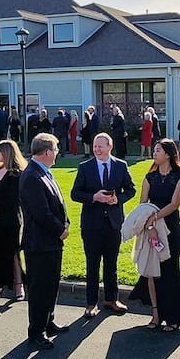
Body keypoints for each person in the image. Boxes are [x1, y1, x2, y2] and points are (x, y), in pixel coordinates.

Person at [70, 132, 135, 318]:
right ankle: (91, 303)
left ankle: (111, 299)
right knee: (92, 264)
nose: (97, 149)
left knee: (111, 263)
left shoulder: (120, 166)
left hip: (113, 223)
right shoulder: (85, 167)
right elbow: (75, 193)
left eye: (101, 146)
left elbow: (131, 189)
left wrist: (118, 199)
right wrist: (93, 197)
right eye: (95, 146)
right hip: (91, 224)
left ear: (110, 147)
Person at [133, 138, 180, 330]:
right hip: (150, 229)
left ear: (168, 154)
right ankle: (156, 314)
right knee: (152, 271)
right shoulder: (149, 177)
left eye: (158, 150)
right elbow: (142, 204)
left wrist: (155, 218)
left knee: (169, 270)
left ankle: (174, 316)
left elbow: (174, 204)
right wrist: (149, 225)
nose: (154, 153)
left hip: (170, 227)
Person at [20, 133, 70, 349]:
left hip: (50, 242)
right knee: (40, 288)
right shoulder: (32, 176)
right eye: (56, 149)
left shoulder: (44, 173)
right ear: (48, 152)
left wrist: (65, 222)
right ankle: (36, 331)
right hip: (40, 243)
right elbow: (41, 213)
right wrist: (60, 230)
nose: (57, 153)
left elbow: (57, 203)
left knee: (51, 285)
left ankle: (48, 322)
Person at [0, 139, 27, 302]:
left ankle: (19, 285)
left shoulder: (16, 174)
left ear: (6, 153)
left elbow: (10, 201)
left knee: (12, 252)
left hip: (10, 219)